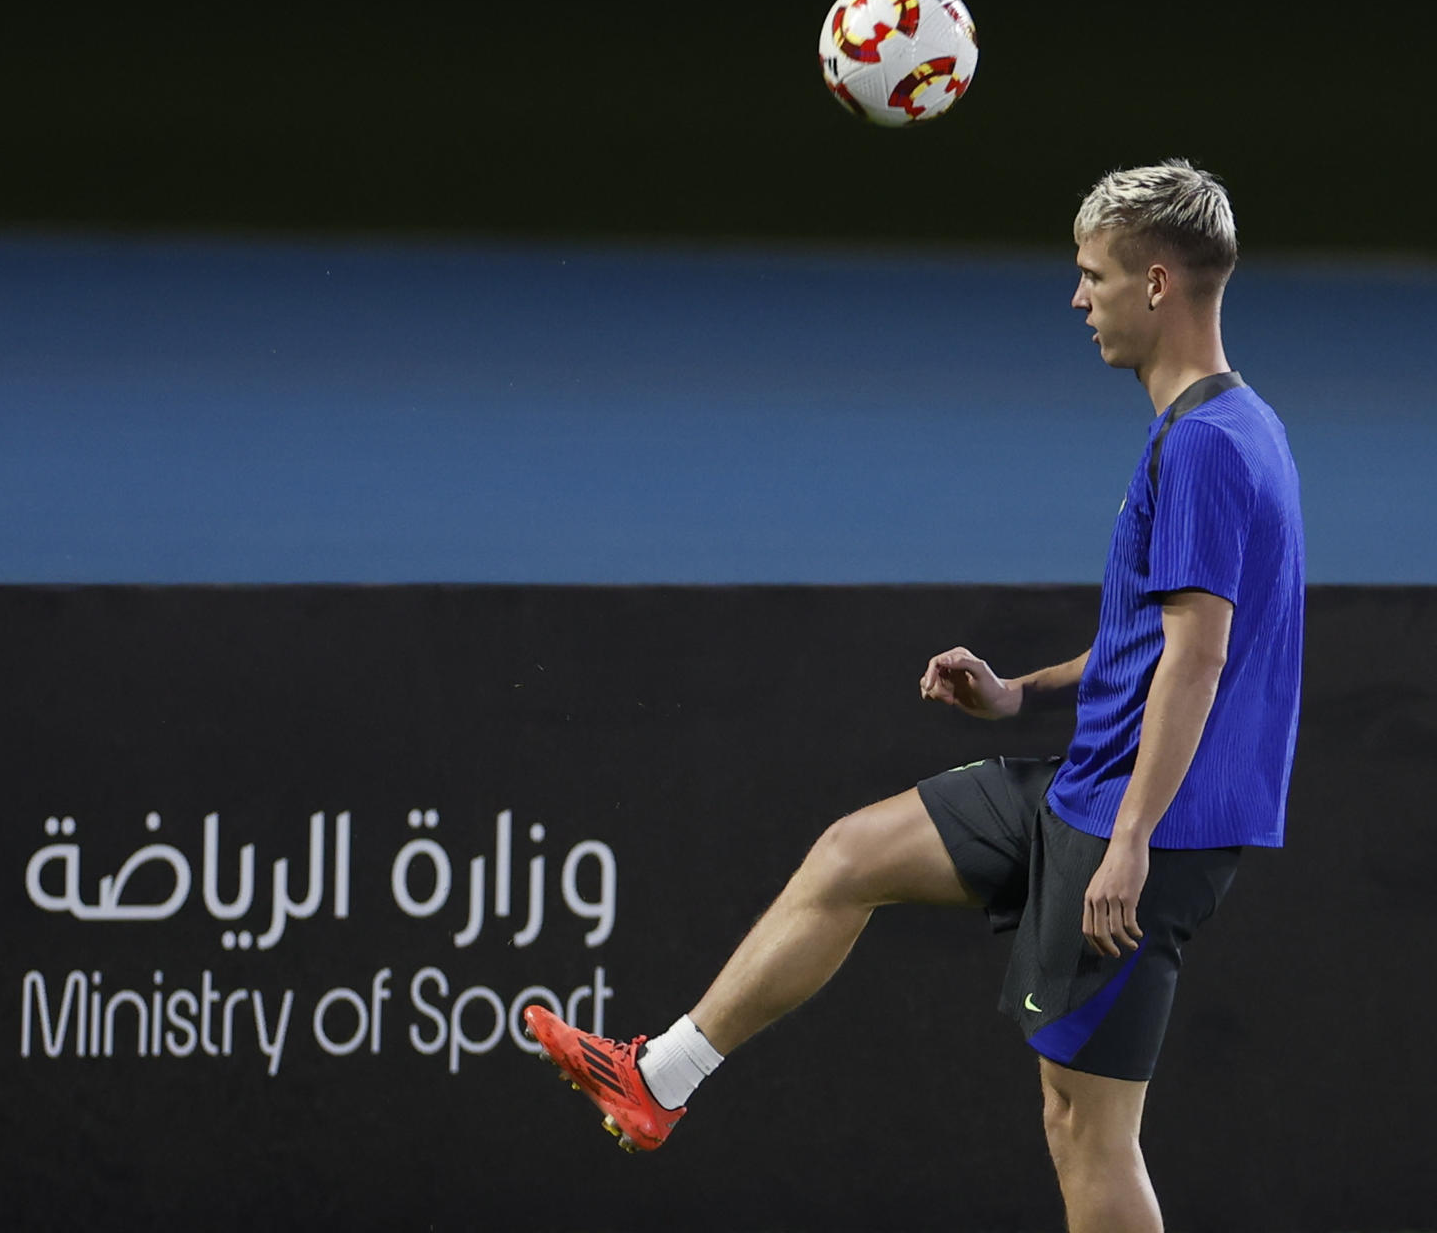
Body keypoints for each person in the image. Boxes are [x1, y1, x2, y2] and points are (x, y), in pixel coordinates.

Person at [524, 159, 1304, 1233]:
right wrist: (1016, 690)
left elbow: (1201, 660)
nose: (1078, 298)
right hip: (1090, 790)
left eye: (1094, 276)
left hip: (1144, 824)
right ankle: (658, 1077)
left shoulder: (1211, 446)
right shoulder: (1229, 425)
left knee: (1086, 1129)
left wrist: (1131, 839)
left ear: (1158, 283)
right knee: (851, 853)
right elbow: (1153, 639)